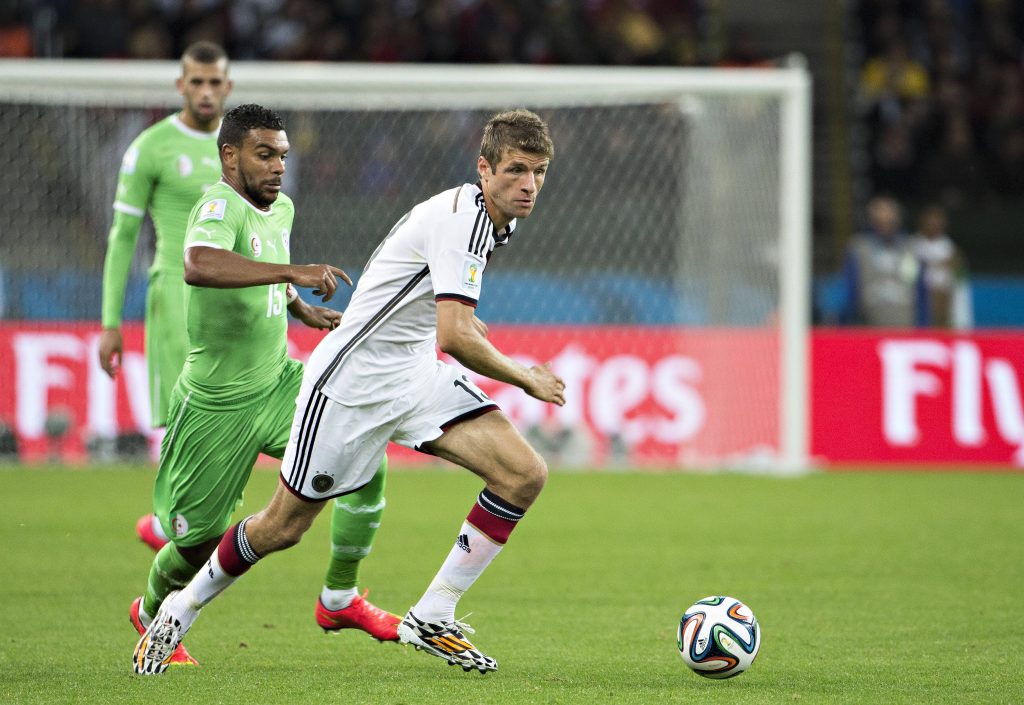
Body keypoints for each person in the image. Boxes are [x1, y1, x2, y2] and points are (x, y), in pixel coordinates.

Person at [133, 108, 564, 676]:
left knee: (523, 473)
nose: (528, 184)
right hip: (350, 386)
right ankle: (176, 613)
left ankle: (434, 612)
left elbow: (441, 310)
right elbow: (455, 335)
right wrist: (524, 375)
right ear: (484, 169)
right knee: (282, 527)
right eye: (515, 170)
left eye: (538, 171)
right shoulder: (463, 221)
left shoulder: (490, 218)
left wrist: (469, 336)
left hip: (411, 374)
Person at [128, 104, 398, 670]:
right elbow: (200, 263)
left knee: (364, 445)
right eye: (264, 154)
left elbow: (265, 264)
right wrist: (294, 274)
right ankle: (152, 613)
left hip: (278, 381)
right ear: (230, 156)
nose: (278, 167)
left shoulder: (282, 208)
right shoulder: (220, 203)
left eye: (282, 155)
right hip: (217, 404)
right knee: (196, 544)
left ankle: (340, 597)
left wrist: (299, 308)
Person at [97, 41, 232, 552]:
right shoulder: (150, 147)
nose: (204, 91)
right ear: (180, 85)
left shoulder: (241, 146)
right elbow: (121, 238)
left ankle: (188, 521)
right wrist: (111, 322)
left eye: (213, 82)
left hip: (233, 299)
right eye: (195, 82)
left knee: (230, 412)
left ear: (228, 87)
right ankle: (171, 521)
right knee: (186, 410)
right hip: (175, 293)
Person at [838, 195, 929, 327]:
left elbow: (921, 293)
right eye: (879, 216)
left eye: (889, 215)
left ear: (898, 217)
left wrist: (923, 327)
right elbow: (851, 290)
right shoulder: (859, 247)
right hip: (870, 328)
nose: (885, 218)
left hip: (905, 327)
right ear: (871, 219)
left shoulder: (912, 247)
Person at [909, 204, 972, 329]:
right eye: (930, 220)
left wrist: (962, 322)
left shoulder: (954, 252)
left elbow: (962, 286)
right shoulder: (911, 247)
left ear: (945, 223)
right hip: (915, 311)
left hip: (944, 314)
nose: (933, 224)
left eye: (938, 220)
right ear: (922, 222)